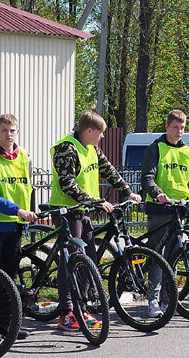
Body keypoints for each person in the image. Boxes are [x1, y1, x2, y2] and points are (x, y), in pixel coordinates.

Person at [49, 110, 141, 331]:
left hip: (84, 209)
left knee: (89, 258)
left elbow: (109, 170)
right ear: (88, 130)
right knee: (70, 260)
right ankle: (66, 311)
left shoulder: (92, 149)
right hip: (66, 210)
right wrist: (94, 200)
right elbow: (67, 184)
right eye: (100, 133)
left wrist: (127, 192)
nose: (101, 137)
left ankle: (81, 306)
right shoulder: (66, 148)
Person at [140, 109, 189, 317]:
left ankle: (169, 299)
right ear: (167, 127)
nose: (179, 131)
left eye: (182, 128)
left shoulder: (186, 150)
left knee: (175, 255)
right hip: (159, 209)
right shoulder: (156, 148)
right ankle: (153, 300)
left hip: (180, 208)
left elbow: (188, 179)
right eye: (175, 127)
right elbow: (147, 177)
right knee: (158, 256)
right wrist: (158, 193)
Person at [0, 113, 37, 340]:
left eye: (12, 130)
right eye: (4, 130)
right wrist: (17, 210)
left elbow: (28, 187)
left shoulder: (24, 155)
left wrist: (30, 213)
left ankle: (7, 324)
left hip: (17, 225)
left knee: (10, 276)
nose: (9, 134)